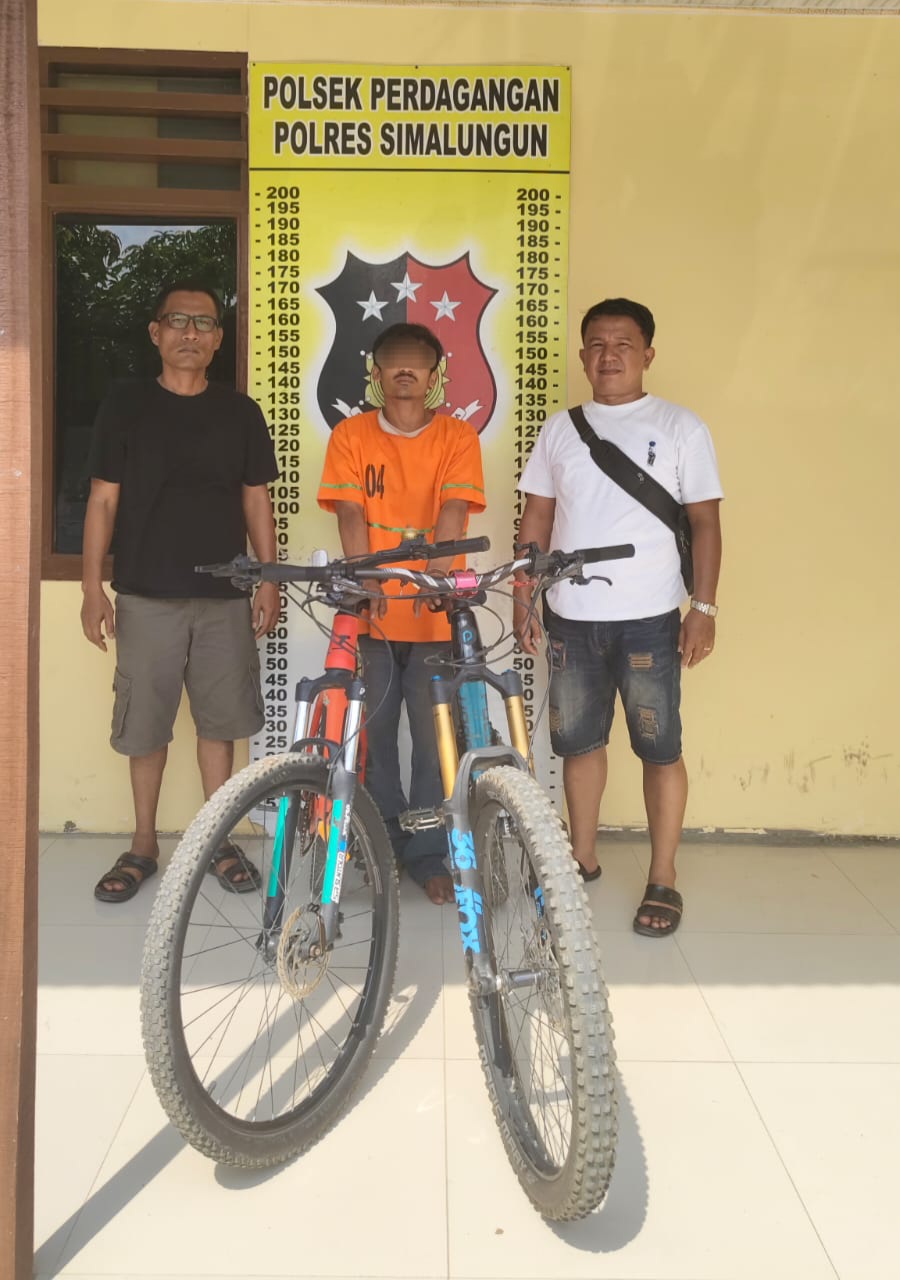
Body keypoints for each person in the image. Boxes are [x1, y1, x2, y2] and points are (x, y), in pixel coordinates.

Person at [515, 298, 723, 937]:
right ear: (583, 356)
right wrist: (525, 597)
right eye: (598, 345)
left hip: (650, 619)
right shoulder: (559, 430)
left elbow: (705, 522)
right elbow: (537, 518)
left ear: (647, 355)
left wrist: (704, 608)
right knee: (579, 744)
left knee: (660, 748)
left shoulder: (681, 426)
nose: (609, 356)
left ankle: (663, 876)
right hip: (571, 616)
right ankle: (581, 858)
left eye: (623, 345)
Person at [81, 278, 280, 903]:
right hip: (145, 595)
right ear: (155, 332)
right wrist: (91, 588)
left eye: (204, 324)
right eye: (178, 321)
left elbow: (256, 500)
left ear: (219, 340)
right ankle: (143, 844)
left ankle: (216, 840)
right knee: (146, 726)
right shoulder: (125, 406)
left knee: (220, 724)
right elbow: (102, 500)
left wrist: (267, 579)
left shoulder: (240, 413)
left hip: (225, 597)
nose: (190, 333)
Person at [318, 322, 486, 904]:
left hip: (436, 613)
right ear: (378, 372)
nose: (406, 371)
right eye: (395, 361)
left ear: (435, 375)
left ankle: (429, 853)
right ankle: (383, 845)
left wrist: (433, 579)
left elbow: (454, 511)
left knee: (435, 739)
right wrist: (368, 581)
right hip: (374, 614)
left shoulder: (458, 436)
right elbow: (349, 514)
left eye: (418, 362)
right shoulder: (351, 435)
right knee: (376, 736)